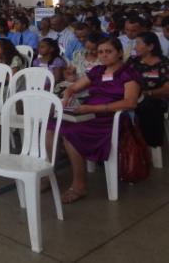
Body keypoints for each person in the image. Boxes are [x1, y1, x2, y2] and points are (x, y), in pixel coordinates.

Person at [48, 37, 140, 204]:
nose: (104, 55)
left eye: (108, 51)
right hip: (88, 114)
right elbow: (73, 87)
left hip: (111, 119)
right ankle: (46, 174)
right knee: (49, 125)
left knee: (70, 132)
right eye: (101, 52)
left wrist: (93, 109)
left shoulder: (127, 74)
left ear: (119, 53)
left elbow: (130, 102)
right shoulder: (98, 71)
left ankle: (79, 185)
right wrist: (67, 97)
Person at [128, 32, 169, 149]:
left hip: (155, 98)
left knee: (148, 106)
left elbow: (167, 89)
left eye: (138, 43)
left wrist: (147, 93)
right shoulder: (133, 60)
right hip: (132, 96)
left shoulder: (163, 63)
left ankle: (149, 143)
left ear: (150, 47)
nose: (135, 47)